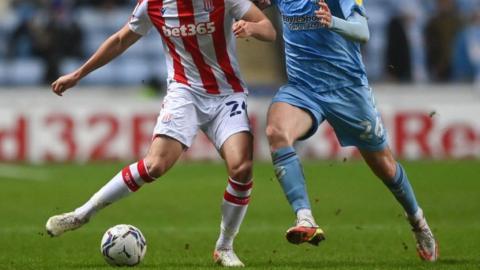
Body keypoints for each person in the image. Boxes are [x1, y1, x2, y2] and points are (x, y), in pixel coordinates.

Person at [45, 0, 276, 267]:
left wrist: (251, 28)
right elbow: (121, 39)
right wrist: (78, 74)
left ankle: (224, 247)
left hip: (227, 95)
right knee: (154, 165)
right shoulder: (152, 4)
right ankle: (80, 214)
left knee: (242, 168)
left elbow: (268, 29)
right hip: (184, 93)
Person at [255, 0, 438, 261]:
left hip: (347, 90)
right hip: (303, 89)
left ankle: (418, 221)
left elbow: (363, 32)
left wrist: (333, 22)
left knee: (385, 166)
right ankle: (304, 217)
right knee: (276, 131)